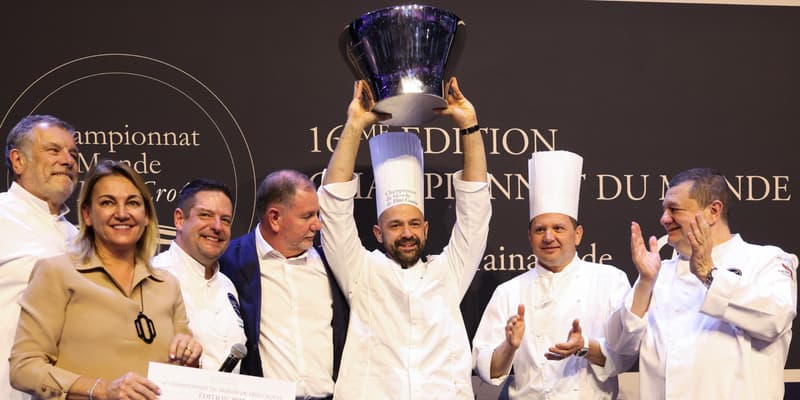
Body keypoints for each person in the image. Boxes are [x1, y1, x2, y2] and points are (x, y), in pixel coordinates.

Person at [318, 77, 491, 399]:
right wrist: (355, 125)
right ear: (378, 233)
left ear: (426, 229)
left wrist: (469, 125)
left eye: (413, 224)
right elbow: (333, 206)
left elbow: (475, 211)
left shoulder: (448, 272)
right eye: (395, 225)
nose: (407, 233)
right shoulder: (361, 271)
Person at [10, 159, 202, 400]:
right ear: (87, 214)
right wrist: (100, 389)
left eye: (132, 203)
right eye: (107, 202)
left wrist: (190, 357)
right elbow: (24, 368)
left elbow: (184, 376)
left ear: (146, 216)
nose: (122, 214)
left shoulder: (167, 285)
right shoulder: (56, 273)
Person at [605, 168, 798, 399]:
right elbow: (621, 345)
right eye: (664, 210)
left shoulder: (766, 260)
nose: (664, 219)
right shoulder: (658, 273)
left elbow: (775, 319)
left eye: (674, 209)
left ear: (713, 211)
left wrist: (708, 273)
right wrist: (645, 282)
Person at [472, 150, 634, 399]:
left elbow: (625, 356)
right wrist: (510, 346)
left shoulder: (610, 280)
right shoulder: (509, 292)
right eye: (540, 230)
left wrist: (584, 347)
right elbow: (488, 371)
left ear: (577, 234)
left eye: (558, 228)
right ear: (530, 237)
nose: (549, 237)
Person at [219, 169, 349, 399]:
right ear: (275, 218)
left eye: (317, 215)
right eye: (307, 216)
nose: (317, 225)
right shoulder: (229, 261)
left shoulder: (331, 264)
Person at [1, 115, 80, 400]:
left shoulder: (79, 238)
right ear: (18, 161)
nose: (68, 160)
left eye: (73, 154)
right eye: (53, 150)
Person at [152, 179, 246, 371]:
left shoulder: (227, 285)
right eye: (205, 215)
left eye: (225, 220)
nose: (217, 227)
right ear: (180, 219)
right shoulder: (154, 275)